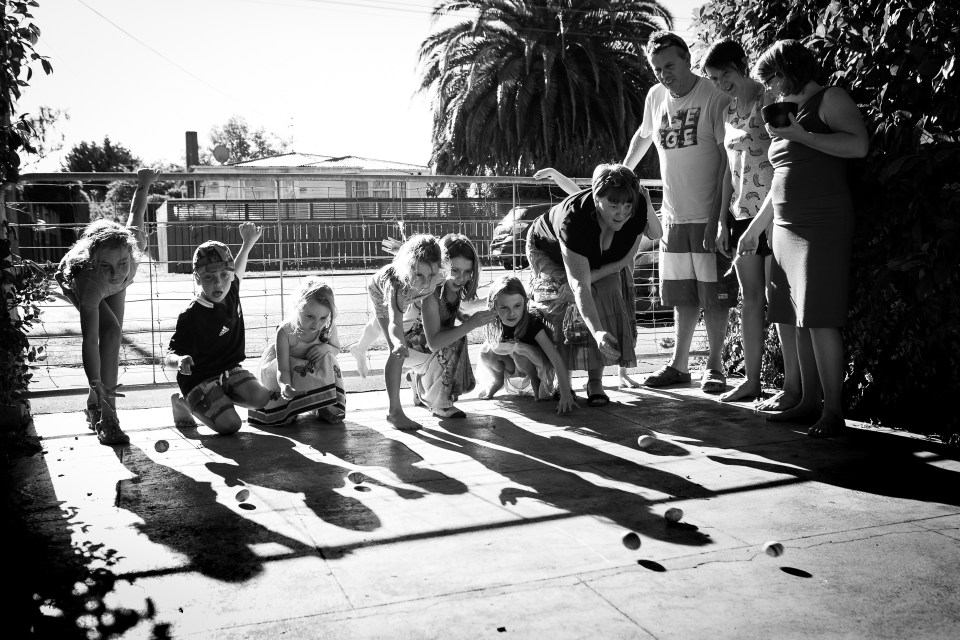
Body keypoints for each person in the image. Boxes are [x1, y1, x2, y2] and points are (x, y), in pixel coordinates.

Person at [737, 39, 868, 437]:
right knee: (792, 316)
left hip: (822, 222)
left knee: (819, 316)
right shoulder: (787, 111)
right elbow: (781, 176)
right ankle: (807, 401)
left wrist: (802, 134)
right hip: (784, 225)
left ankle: (833, 411)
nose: (770, 89)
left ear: (789, 69)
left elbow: (858, 146)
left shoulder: (830, 98)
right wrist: (755, 228)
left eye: (772, 79)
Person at [622, 30, 737, 394]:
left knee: (714, 296)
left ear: (687, 59)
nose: (663, 74)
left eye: (669, 66)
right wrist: (621, 174)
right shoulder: (655, 96)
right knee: (681, 296)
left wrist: (719, 218)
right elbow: (644, 136)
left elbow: (727, 160)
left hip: (709, 216)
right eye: (657, 68)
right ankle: (679, 365)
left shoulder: (713, 95)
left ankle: (715, 367)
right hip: (672, 217)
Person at [526, 164, 662, 406]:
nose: (622, 213)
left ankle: (595, 381)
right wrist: (597, 331)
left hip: (595, 261)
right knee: (565, 301)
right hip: (549, 251)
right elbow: (579, 284)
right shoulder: (574, 219)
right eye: (614, 205)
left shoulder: (637, 206)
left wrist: (591, 280)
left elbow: (624, 259)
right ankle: (563, 381)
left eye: (627, 206)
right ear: (596, 198)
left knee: (607, 291)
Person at [55, 167, 159, 445]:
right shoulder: (88, 277)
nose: (115, 271)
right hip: (79, 281)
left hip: (116, 284)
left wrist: (144, 183)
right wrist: (95, 380)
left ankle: (95, 403)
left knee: (113, 335)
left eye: (121, 262)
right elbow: (90, 340)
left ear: (131, 252)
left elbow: (136, 212)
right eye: (106, 265)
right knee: (109, 330)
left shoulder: (132, 245)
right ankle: (108, 416)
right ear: (94, 261)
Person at [702, 38, 777, 402]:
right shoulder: (728, 111)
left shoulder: (769, 99)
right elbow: (728, 171)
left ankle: (794, 388)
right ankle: (751, 381)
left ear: (741, 65)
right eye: (714, 79)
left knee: (779, 300)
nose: (721, 84)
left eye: (725, 74)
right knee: (750, 299)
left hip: (773, 214)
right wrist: (721, 219)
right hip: (740, 217)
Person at [168, 223, 273, 435]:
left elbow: (238, 268)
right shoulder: (191, 315)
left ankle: (218, 399)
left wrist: (248, 243)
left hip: (228, 370)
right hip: (199, 378)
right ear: (198, 278)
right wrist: (179, 361)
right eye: (209, 277)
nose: (218, 284)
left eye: (224, 276)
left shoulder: (231, 289)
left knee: (262, 398)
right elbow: (169, 355)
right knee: (231, 425)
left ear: (230, 276)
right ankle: (183, 403)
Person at [403, 234, 497, 419]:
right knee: (456, 338)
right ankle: (438, 403)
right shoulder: (431, 292)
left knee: (457, 335)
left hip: (422, 344)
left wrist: (461, 316)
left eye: (467, 271)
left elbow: (445, 315)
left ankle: (419, 378)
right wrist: (470, 324)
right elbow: (434, 343)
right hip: (406, 347)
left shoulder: (453, 288)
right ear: (441, 265)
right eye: (455, 270)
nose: (461, 278)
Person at [362, 233, 444, 430]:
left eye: (431, 275)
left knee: (396, 321)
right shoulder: (397, 286)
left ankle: (361, 347)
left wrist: (403, 250)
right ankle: (394, 413)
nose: (426, 282)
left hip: (410, 287)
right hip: (379, 289)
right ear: (409, 268)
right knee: (396, 352)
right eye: (420, 276)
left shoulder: (436, 275)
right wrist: (398, 342)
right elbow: (394, 323)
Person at [247, 276, 346, 426]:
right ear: (297, 307)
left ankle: (324, 405)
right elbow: (283, 368)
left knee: (329, 358)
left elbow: (336, 349)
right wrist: (284, 385)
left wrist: (326, 347)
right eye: (310, 316)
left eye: (323, 317)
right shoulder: (286, 331)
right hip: (287, 370)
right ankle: (291, 407)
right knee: (284, 419)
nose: (316, 323)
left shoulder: (328, 327)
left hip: (310, 368)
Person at [478, 276, 578, 414]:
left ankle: (535, 380)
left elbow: (555, 358)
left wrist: (565, 393)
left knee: (519, 352)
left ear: (525, 303)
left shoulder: (532, 324)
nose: (511, 313)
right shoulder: (495, 322)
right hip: (513, 364)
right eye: (504, 307)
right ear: (493, 306)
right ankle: (498, 380)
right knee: (486, 351)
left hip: (535, 365)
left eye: (517, 306)